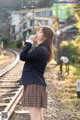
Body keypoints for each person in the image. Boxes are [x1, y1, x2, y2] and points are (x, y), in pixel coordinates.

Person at [20, 25, 54, 120]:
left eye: (40, 31)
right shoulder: (42, 49)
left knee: (35, 118)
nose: (36, 33)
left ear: (45, 36)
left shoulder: (41, 50)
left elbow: (23, 56)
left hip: (34, 85)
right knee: (39, 117)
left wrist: (30, 41)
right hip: (35, 84)